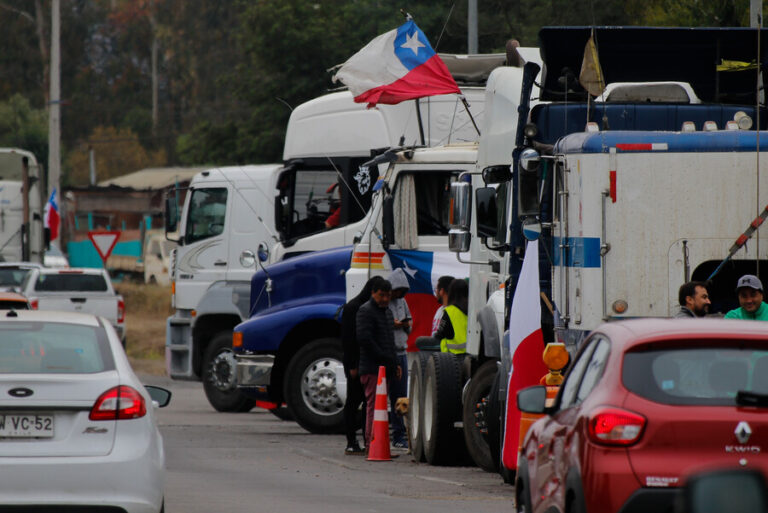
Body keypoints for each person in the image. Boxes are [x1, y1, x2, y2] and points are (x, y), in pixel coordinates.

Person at [340, 276, 384, 455]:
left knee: (367, 402)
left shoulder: (370, 308)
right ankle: (351, 441)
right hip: (355, 362)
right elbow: (349, 339)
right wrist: (352, 364)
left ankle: (366, 439)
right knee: (353, 401)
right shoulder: (353, 308)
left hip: (366, 362)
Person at [356, 279, 401, 450]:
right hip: (372, 369)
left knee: (380, 408)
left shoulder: (387, 312)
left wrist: (394, 363)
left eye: (388, 296)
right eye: (381, 295)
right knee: (374, 407)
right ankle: (371, 444)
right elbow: (365, 340)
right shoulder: (365, 311)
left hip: (384, 369)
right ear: (373, 293)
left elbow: (390, 342)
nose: (385, 299)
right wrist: (387, 360)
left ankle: (378, 445)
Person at [386, 268, 411, 449]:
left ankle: (399, 434)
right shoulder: (385, 302)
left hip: (402, 351)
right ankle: (391, 433)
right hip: (388, 353)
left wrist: (404, 325)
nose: (399, 294)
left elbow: (409, 322)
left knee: (400, 396)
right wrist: (392, 324)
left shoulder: (403, 302)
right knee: (384, 396)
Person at [415, 278, 469, 353]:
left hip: (452, 351)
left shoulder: (450, 310)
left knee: (419, 341)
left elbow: (440, 334)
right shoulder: (471, 310)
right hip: (468, 350)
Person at [436, 279, 469, 354]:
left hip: (451, 357)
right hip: (471, 354)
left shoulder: (449, 311)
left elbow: (440, 334)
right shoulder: (473, 310)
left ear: (451, 292)